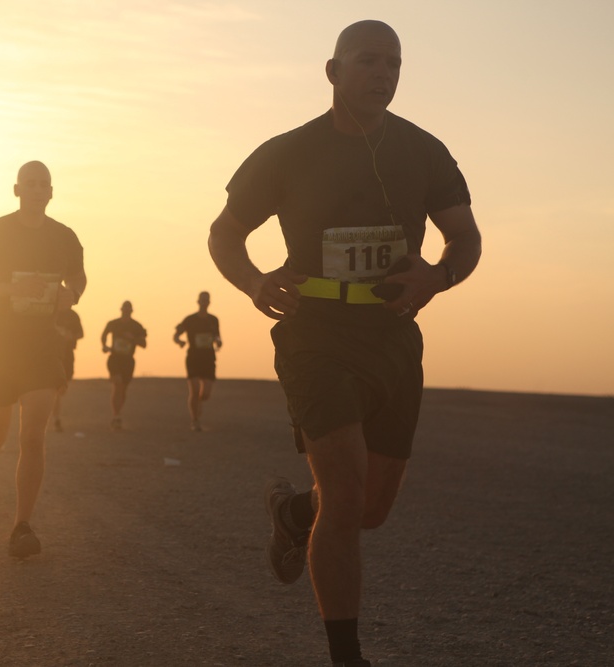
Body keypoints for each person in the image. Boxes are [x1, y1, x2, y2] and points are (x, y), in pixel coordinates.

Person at [207, 21, 482, 667]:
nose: (382, 74)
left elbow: (465, 237)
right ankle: (346, 655)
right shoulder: (286, 152)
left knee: (370, 509)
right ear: (333, 71)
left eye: (393, 64)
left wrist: (440, 275)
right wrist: (253, 281)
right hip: (315, 334)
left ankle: (293, 512)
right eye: (367, 61)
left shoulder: (425, 151)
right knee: (348, 492)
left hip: (392, 336)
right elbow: (224, 233)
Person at [0, 160, 87, 559]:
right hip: (0, 344)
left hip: (42, 345)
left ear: (51, 192)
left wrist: (71, 295)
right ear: (17, 190)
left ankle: (22, 527)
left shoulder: (65, 237)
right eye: (29, 183)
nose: (36, 189)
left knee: (32, 437)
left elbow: (78, 278)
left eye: (43, 184)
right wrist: (10, 288)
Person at [173, 291, 222, 432]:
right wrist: (179, 341)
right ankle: (195, 420)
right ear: (198, 301)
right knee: (194, 390)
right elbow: (176, 335)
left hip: (208, 358)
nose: (204, 302)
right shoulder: (189, 320)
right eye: (202, 300)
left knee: (205, 394)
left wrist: (218, 342)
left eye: (206, 300)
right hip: (193, 358)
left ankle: (198, 403)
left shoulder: (213, 320)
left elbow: (217, 336)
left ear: (209, 302)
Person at [100, 301, 147, 431]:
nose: (126, 312)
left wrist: (132, 339)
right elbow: (104, 335)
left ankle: (118, 413)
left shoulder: (137, 326)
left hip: (128, 361)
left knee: (123, 389)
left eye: (128, 310)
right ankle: (116, 416)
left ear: (132, 311)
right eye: (124, 309)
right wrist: (104, 346)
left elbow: (144, 344)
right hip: (115, 358)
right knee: (117, 384)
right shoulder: (113, 323)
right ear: (121, 310)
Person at [52, 308, 84, 432]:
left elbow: (81, 334)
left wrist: (70, 336)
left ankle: (54, 415)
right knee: (55, 387)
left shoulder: (73, 315)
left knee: (62, 388)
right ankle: (56, 418)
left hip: (68, 354)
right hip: (53, 353)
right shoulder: (51, 311)